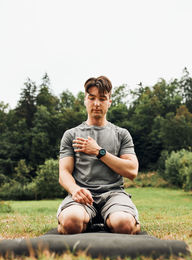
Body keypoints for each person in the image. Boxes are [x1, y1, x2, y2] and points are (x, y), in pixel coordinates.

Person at [57, 76, 140, 235]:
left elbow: (132, 171)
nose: (96, 103)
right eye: (92, 98)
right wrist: (75, 190)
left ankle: (110, 221)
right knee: (70, 224)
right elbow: (64, 173)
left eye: (102, 99)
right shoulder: (71, 134)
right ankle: (88, 222)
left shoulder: (121, 134)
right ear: (85, 100)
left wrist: (99, 152)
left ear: (109, 102)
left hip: (114, 195)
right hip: (82, 195)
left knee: (125, 225)